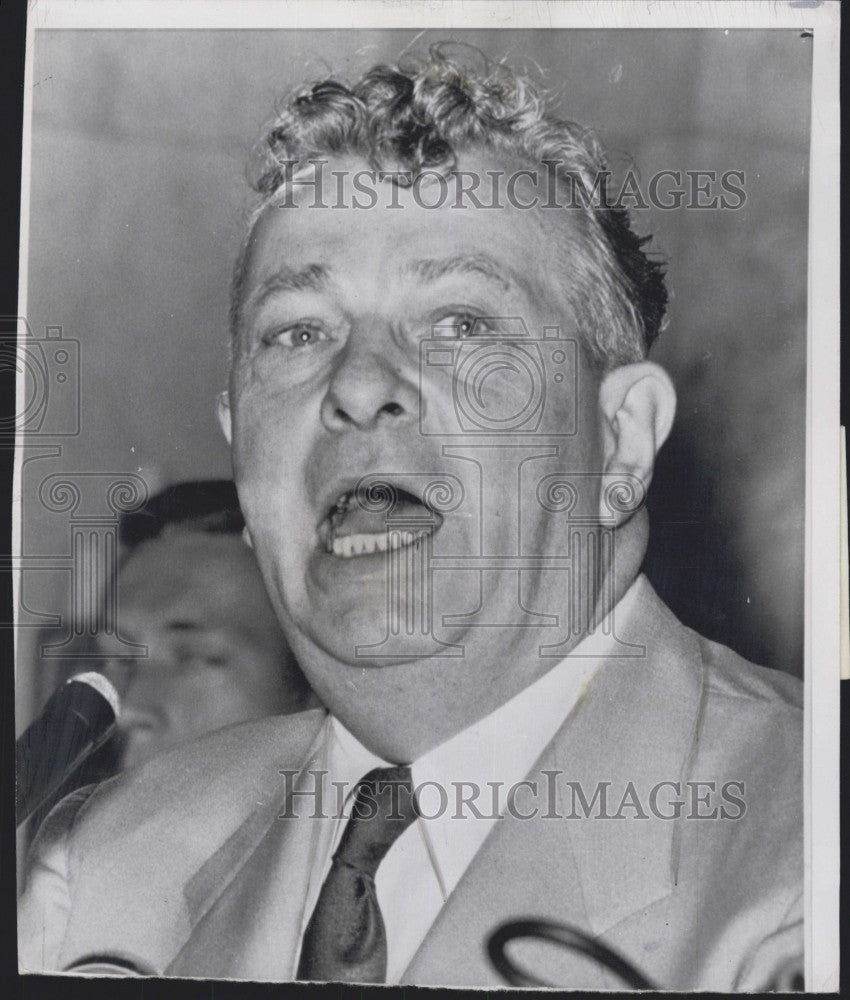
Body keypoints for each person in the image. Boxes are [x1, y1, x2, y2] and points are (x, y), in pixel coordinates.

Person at [18, 47, 802, 990]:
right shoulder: (91, 869)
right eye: (299, 332)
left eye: (459, 322)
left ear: (620, 442)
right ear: (240, 455)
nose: (356, 385)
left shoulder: (806, 847)